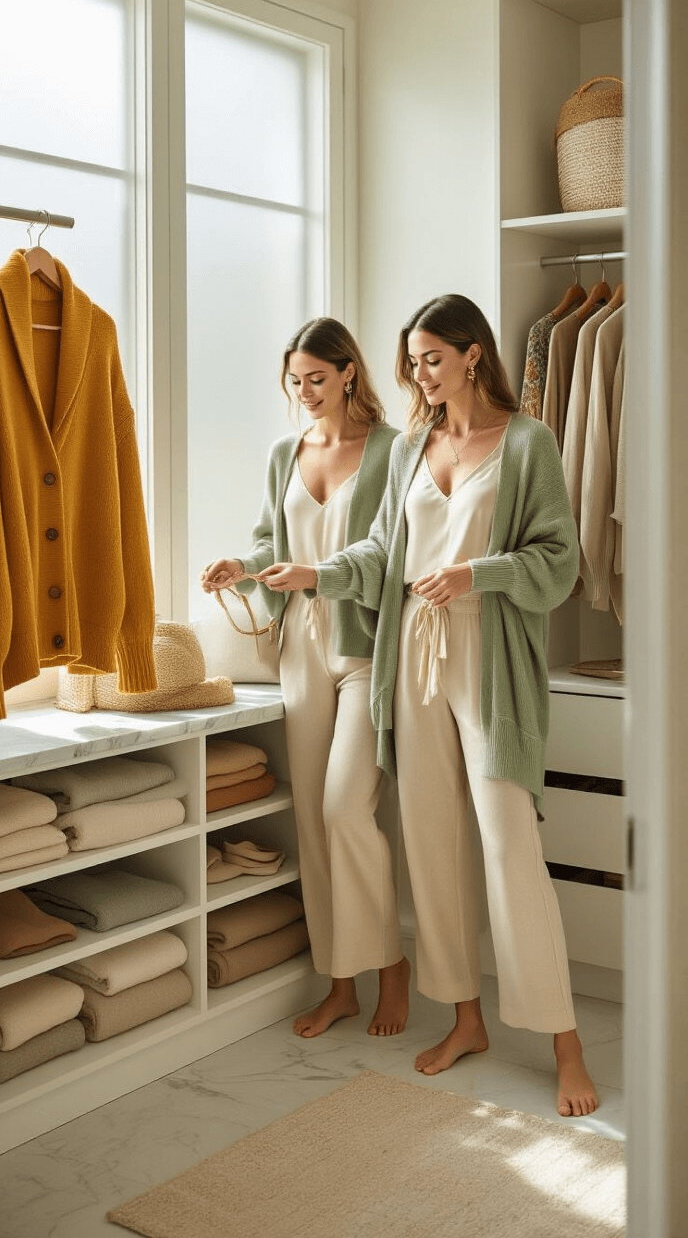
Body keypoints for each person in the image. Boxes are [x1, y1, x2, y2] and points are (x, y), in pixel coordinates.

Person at [257, 294, 599, 1117]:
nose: (419, 375)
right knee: (433, 845)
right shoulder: (412, 445)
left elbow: (560, 559)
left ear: (474, 354)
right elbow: (382, 551)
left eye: (432, 360)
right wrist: (314, 574)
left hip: (485, 650)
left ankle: (567, 1045)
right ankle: (465, 1019)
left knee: (509, 844)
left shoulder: (527, 441)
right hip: (409, 650)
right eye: (411, 362)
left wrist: (478, 573)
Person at [202, 318, 409, 1039]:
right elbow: (271, 541)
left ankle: (391, 968)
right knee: (313, 825)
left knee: (345, 810)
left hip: (363, 647)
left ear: (350, 372)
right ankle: (340, 983)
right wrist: (243, 566)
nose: (305, 392)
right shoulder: (284, 453)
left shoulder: (393, 450)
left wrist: (317, 574)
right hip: (299, 644)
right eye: (295, 381)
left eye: (317, 379)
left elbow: (393, 553)